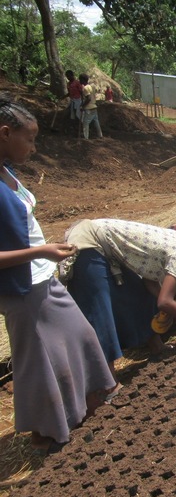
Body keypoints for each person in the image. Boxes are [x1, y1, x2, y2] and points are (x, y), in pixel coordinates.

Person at [0, 93, 118, 453]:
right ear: (5, 133)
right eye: (30, 139)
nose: (34, 148)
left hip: (40, 277)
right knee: (37, 359)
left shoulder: (7, 171)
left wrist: (44, 253)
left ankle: (92, 397)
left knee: (79, 334)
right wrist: (42, 250)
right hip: (21, 288)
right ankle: (46, 432)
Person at [65, 219, 176, 377]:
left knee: (141, 296)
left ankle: (156, 346)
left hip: (108, 248)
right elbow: (164, 302)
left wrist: (175, 306)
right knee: (101, 312)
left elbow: (149, 283)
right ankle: (108, 382)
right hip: (89, 242)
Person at [79, 73, 103, 139]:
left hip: (88, 108)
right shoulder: (92, 86)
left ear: (83, 80)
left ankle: (85, 137)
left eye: (80, 80)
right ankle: (100, 135)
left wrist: (82, 106)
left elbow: (88, 98)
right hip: (94, 106)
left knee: (85, 123)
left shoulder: (85, 88)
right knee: (96, 121)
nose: (79, 81)